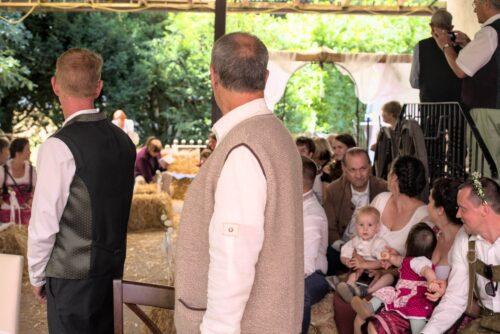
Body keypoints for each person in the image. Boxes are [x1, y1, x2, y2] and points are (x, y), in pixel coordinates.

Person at [174, 32, 304, 333]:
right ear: (266, 76)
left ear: (213, 75)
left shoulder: (244, 149)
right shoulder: (278, 136)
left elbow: (233, 260)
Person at [27, 48, 136, 333]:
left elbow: (44, 224)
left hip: (70, 281)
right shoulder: (124, 142)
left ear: (55, 85)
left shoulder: (58, 146)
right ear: (98, 87)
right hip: (111, 276)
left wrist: (37, 276)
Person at [333, 155, 429, 334]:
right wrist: (357, 259)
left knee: (363, 303)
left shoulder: (424, 215)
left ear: (393, 178)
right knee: (343, 300)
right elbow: (361, 233)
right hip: (365, 268)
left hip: (398, 280)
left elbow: (417, 264)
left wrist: (384, 271)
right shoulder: (381, 199)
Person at [422, 176, 500, 334]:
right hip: (486, 323)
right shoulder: (464, 240)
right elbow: (455, 299)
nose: (457, 215)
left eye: (463, 209)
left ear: (484, 210)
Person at [354, 223, 444, 334]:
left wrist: (432, 281)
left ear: (408, 245)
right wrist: (389, 257)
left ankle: (420, 331)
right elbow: (398, 260)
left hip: (415, 296)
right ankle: (368, 308)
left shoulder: (421, 261)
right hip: (403, 293)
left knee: (416, 313)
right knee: (387, 291)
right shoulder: (409, 260)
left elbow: (427, 271)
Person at [323, 148, 387, 275]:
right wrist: (348, 250)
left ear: (370, 167)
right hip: (344, 246)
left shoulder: (383, 188)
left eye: (363, 168)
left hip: (375, 246)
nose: (358, 175)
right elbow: (330, 229)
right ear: (344, 169)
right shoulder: (333, 190)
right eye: (353, 170)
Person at [336, 206, 389, 302]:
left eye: (369, 225)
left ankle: (366, 291)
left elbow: (382, 262)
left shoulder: (379, 242)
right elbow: (345, 251)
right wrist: (346, 260)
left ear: (377, 227)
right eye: (361, 225)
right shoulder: (355, 240)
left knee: (385, 278)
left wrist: (365, 264)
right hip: (358, 270)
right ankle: (350, 288)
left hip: (374, 271)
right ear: (356, 226)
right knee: (352, 276)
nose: (365, 229)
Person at [301, 156, 329, 334]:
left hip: (313, 276)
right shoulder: (293, 204)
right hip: (292, 270)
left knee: (298, 293)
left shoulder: (311, 215)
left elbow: (306, 267)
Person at [410, 9, 463, 103]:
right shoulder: (462, 44)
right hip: (456, 108)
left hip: (429, 108)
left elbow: (414, 81)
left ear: (431, 26)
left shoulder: (421, 46)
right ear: (451, 27)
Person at [0, 138, 37, 225]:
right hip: (6, 218)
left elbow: (37, 193)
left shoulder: (32, 171)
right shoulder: (2, 170)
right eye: (27, 149)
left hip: (27, 217)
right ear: (18, 152)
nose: (30, 152)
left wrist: (32, 200)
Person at [372, 101, 402, 179]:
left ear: (391, 114)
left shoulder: (396, 130)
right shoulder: (391, 129)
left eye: (384, 112)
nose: (382, 114)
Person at [296, 136, 324, 202]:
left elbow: (319, 199)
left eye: (303, 151)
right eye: (295, 150)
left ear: (310, 154)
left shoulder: (317, 175)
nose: (298, 154)